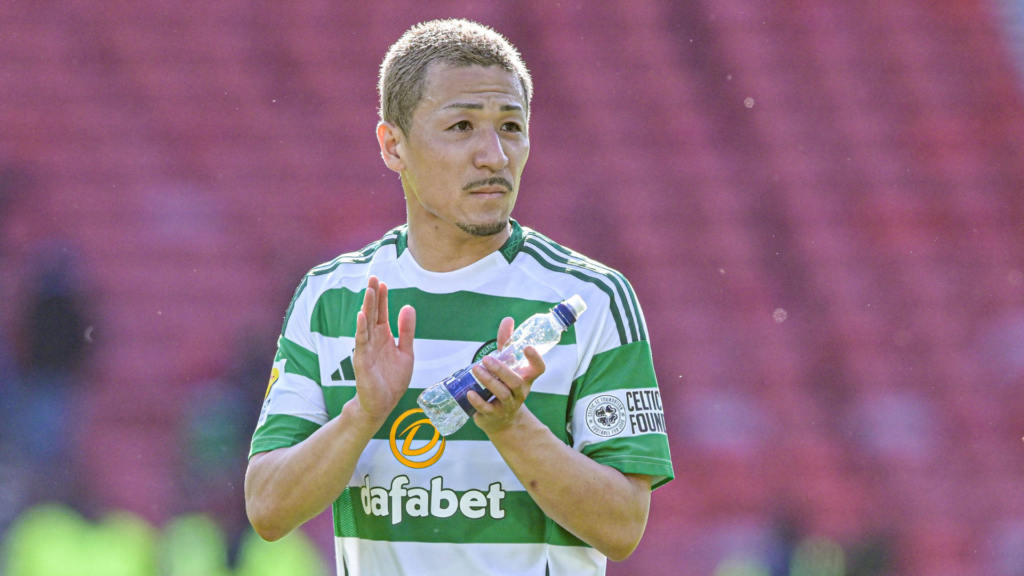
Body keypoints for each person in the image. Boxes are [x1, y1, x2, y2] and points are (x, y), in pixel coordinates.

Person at [244, 19, 673, 576]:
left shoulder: (590, 298)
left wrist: (512, 426)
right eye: (463, 125)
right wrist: (363, 414)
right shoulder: (332, 297)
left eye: (511, 126)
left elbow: (622, 528)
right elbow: (268, 510)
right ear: (393, 145)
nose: (493, 155)